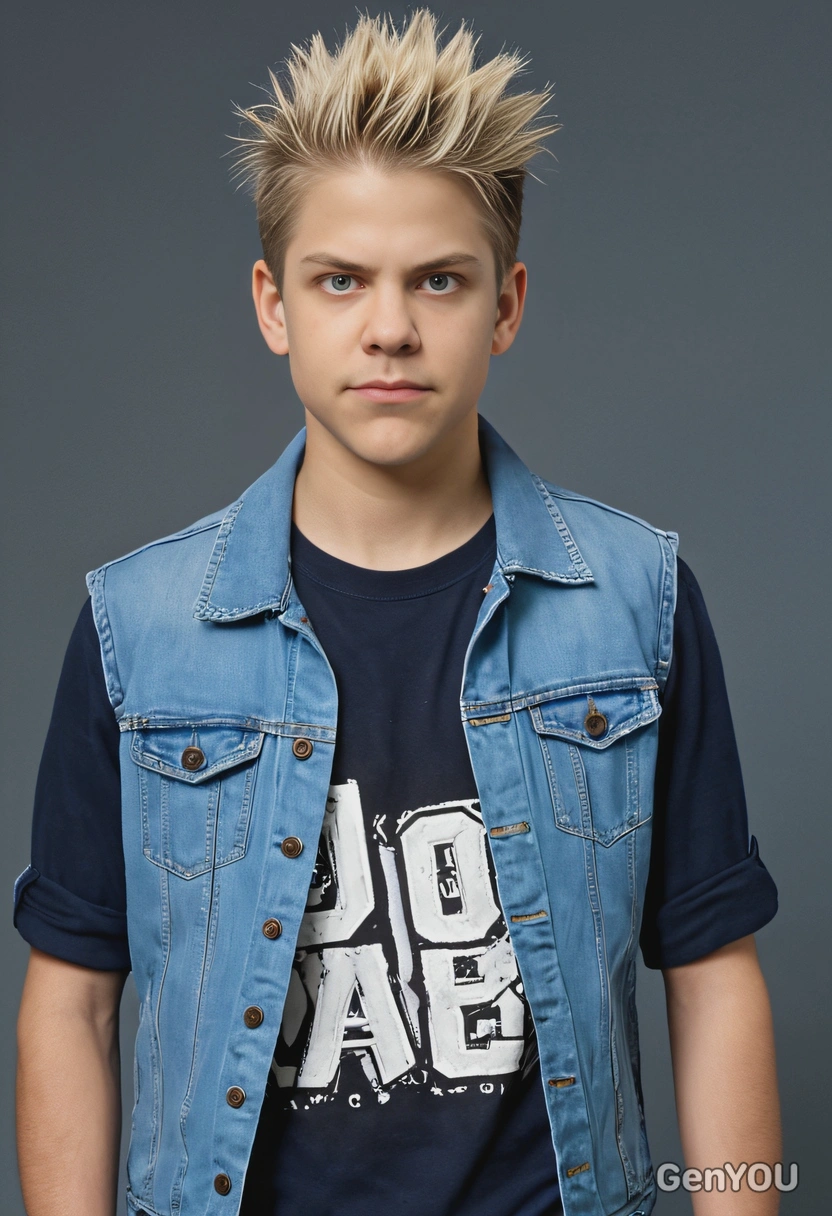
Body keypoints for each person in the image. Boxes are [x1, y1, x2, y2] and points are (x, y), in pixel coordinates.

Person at [14, 10, 781, 1216]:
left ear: (507, 304)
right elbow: (71, 999)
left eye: (438, 279)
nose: (389, 326)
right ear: (274, 305)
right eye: (340, 280)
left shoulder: (636, 601)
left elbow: (713, 970)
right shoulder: (139, 627)